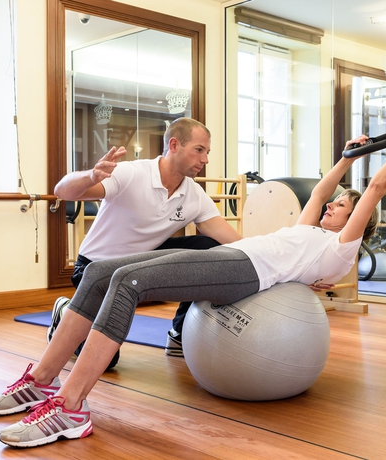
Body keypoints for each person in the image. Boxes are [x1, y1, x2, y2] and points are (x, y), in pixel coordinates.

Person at [0, 122, 386, 448]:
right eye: (336, 204)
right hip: (231, 258)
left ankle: (72, 406)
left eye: (345, 207)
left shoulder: (340, 249)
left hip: (244, 272)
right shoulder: (308, 227)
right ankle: (41, 381)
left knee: (128, 280)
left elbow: (377, 188)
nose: (333, 208)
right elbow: (321, 192)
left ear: (357, 223)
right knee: (100, 271)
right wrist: (347, 157)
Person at [49, 118, 242, 365]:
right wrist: (92, 176)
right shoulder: (131, 173)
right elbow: (62, 191)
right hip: (95, 270)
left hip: (139, 267)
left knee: (212, 249)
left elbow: (232, 240)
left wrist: (270, 257)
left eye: (207, 152)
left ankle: (180, 335)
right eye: (199, 150)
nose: (205, 159)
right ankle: (66, 310)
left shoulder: (194, 194)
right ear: (174, 145)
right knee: (105, 362)